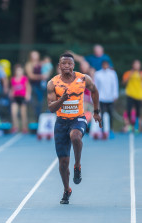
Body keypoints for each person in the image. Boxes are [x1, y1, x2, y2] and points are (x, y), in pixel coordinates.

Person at [47, 53, 102, 204]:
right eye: (63, 64)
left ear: (73, 65)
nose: (66, 66)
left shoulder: (83, 78)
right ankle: (67, 189)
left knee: (76, 137)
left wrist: (96, 112)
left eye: (69, 64)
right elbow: (51, 108)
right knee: (63, 163)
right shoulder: (53, 83)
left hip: (78, 119)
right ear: (59, 66)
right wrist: (63, 99)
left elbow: (95, 91)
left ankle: (77, 165)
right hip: (61, 122)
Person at [94, 60, 119, 137]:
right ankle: (103, 130)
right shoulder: (98, 74)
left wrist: (115, 94)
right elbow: (96, 86)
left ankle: (111, 130)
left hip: (110, 98)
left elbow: (115, 84)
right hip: (102, 97)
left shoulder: (112, 73)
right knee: (102, 115)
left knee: (111, 114)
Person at [10, 64, 31, 133]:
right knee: (14, 112)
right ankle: (15, 126)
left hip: (22, 97)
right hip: (15, 98)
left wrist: (28, 94)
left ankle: (24, 127)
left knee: (23, 113)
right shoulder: (13, 79)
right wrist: (11, 93)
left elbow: (28, 87)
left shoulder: (24, 79)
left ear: (22, 71)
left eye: (20, 71)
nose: (19, 72)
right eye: (17, 71)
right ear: (15, 72)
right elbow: (13, 88)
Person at [122, 59, 142, 132]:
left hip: (138, 95)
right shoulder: (128, 73)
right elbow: (124, 82)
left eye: (138, 64)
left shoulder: (140, 73)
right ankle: (130, 125)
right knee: (129, 110)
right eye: (135, 64)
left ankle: (136, 126)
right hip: (130, 94)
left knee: (138, 111)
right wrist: (131, 74)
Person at [25, 51, 44, 119]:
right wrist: (42, 76)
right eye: (33, 55)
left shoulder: (41, 63)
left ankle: (39, 118)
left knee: (41, 103)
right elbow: (30, 76)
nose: (34, 56)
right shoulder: (29, 64)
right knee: (34, 104)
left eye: (36, 55)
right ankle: (35, 118)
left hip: (41, 86)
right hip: (32, 86)